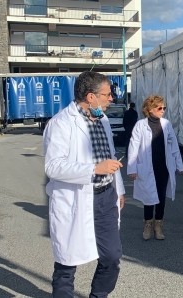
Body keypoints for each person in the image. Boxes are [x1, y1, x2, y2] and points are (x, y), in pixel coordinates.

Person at [43, 71, 126, 297]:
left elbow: (110, 156)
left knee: (111, 256)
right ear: (91, 97)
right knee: (67, 262)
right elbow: (53, 166)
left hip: (106, 196)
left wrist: (119, 190)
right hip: (77, 199)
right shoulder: (61, 123)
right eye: (107, 94)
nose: (111, 99)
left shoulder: (103, 120)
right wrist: (93, 169)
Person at [127, 95, 183, 240]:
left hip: (163, 166)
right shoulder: (140, 125)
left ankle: (158, 225)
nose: (163, 110)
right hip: (147, 166)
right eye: (160, 108)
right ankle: (147, 225)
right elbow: (133, 147)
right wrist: (132, 168)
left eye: (164, 108)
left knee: (160, 196)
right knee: (148, 197)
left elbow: (173, 145)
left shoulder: (166, 124)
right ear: (150, 109)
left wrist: (179, 164)